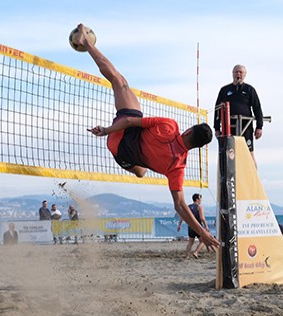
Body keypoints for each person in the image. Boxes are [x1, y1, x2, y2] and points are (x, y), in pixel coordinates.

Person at [77, 24, 219, 251]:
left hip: (121, 135)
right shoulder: (178, 167)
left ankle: (87, 43)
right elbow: (180, 206)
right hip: (122, 156)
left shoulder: (170, 127)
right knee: (141, 171)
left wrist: (105, 130)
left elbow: (131, 121)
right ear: (199, 147)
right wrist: (202, 233)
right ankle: (139, 167)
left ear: (189, 130)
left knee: (119, 80)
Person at [213, 64, 264, 165]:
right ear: (232, 74)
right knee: (228, 153)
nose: (238, 74)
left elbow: (257, 108)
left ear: (245, 75)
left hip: (246, 126)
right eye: (236, 72)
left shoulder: (250, 90)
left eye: (241, 72)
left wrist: (259, 126)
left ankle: (253, 179)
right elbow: (217, 109)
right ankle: (229, 178)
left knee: (249, 153)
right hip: (228, 127)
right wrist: (217, 128)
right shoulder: (225, 90)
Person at [177, 193, 211, 258]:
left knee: (190, 242)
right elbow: (202, 218)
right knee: (203, 241)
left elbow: (182, 216)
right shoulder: (200, 207)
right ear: (197, 199)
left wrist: (179, 225)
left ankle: (187, 255)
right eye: (200, 198)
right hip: (198, 226)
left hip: (191, 227)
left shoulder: (188, 207)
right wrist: (206, 226)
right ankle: (196, 252)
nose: (201, 200)